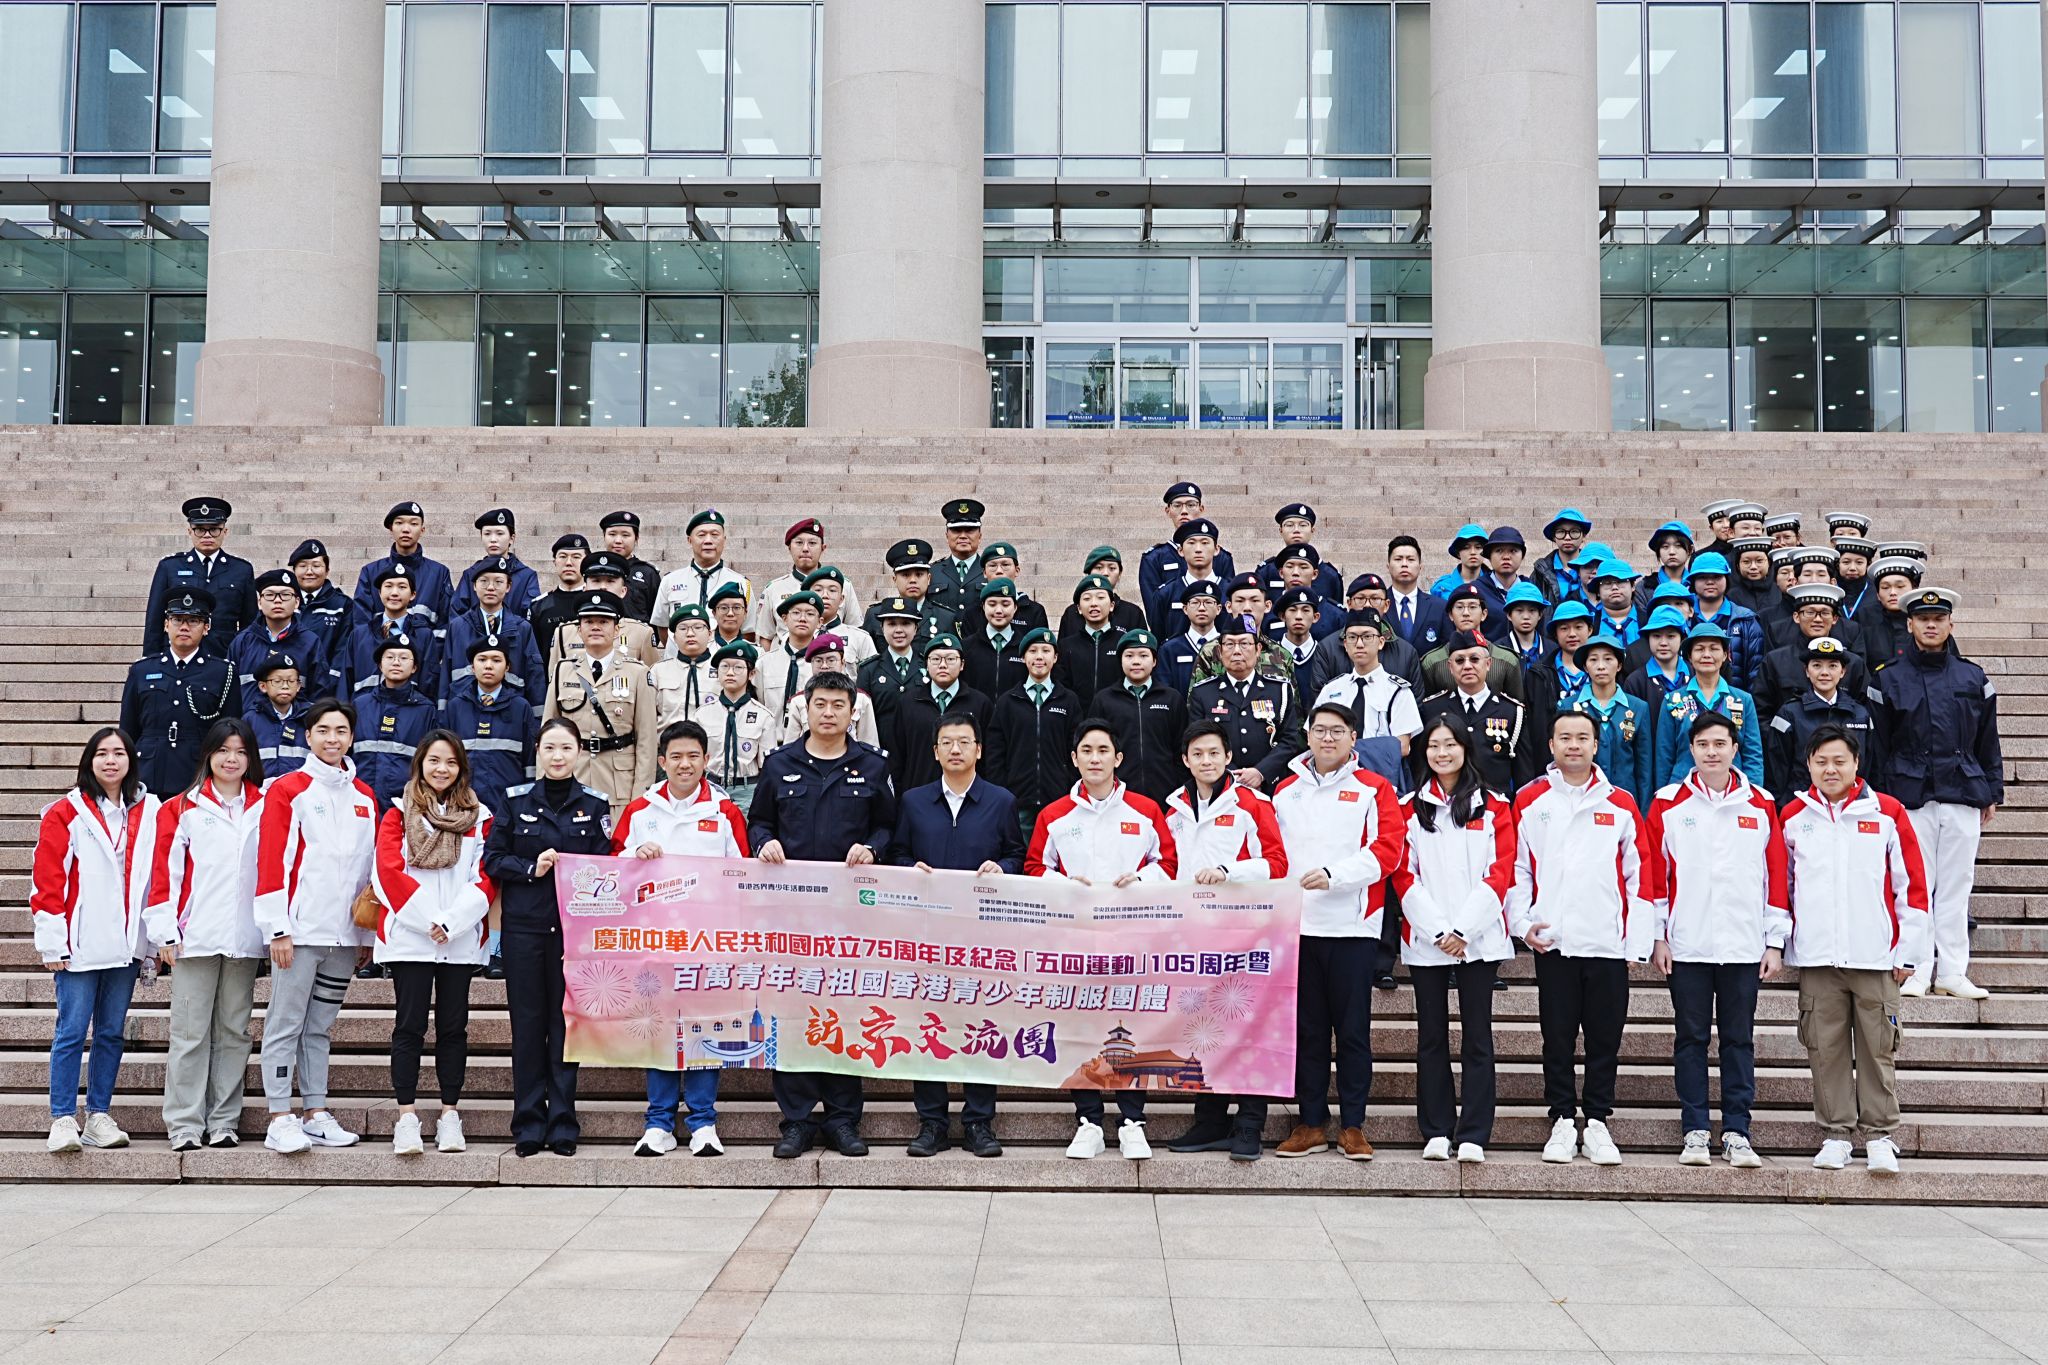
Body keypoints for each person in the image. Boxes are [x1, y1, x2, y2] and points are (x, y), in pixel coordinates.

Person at [751, 672, 899, 1159]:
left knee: (845, 1011)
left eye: (839, 705)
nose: (829, 713)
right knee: (791, 1011)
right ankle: (795, 1120)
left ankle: (842, 1118)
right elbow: (759, 820)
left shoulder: (873, 765)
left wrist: (873, 848)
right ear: (805, 709)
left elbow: (888, 826)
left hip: (848, 916)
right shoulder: (780, 764)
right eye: (821, 704)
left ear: (853, 713)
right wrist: (763, 842)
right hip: (789, 916)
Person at [1781, 725, 1929, 1176]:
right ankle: (1836, 1134)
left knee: (1878, 1048)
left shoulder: (1887, 812)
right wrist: (1785, 941)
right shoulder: (1793, 816)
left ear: (1856, 764)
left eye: (1839, 761)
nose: (1831, 769)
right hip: (1818, 957)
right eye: (1821, 761)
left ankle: (1880, 1136)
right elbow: (1783, 886)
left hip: (1875, 955)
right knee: (1824, 1049)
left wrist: (1908, 950)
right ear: (1809, 765)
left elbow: (1912, 886)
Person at [1644, 712, 1790, 1170]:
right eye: (1703, 744)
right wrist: (1658, 936)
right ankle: (1694, 1129)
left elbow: (1775, 876)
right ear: (1691, 750)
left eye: (1720, 744)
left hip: (1744, 945)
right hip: (1687, 944)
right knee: (1690, 1038)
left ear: (1734, 749)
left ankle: (1737, 1131)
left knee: (1738, 1039)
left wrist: (1774, 941)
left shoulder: (1761, 804)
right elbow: (1656, 876)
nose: (1712, 752)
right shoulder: (1668, 803)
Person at [1027, 720, 1176, 1160]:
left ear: (1118, 758)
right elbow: (1034, 867)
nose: (1095, 758)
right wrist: (1065, 884)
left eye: (1103, 750)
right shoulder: (1055, 814)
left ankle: (1132, 1121)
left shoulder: (1145, 810)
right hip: (1076, 941)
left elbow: (1169, 863)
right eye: (1087, 751)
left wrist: (1141, 879)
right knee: (1082, 1029)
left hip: (1133, 940)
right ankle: (1088, 1121)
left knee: (1131, 1027)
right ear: (1074, 759)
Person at [1509, 710, 1652, 1167]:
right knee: (1557, 1036)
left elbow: (1639, 874)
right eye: (1565, 738)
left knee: (1604, 1038)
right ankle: (1561, 1118)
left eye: (1582, 738)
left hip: (1606, 941)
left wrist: (1637, 941)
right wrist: (1522, 923)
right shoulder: (1530, 798)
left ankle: (1597, 1121)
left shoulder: (1620, 802)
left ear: (1595, 745)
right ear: (1551, 745)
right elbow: (1518, 868)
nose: (1574, 745)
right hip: (1554, 941)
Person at [1268, 701, 1405, 1159]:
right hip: (1298, 927)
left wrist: (1335, 876)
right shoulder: (1285, 791)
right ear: (1307, 736)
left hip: (1352, 927)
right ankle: (1310, 1122)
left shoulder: (1374, 788)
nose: (1328, 738)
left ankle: (1352, 1125)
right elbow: (1274, 855)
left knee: (1351, 1032)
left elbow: (1388, 850)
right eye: (1320, 730)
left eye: (1337, 731)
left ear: (1353, 739)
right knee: (1307, 1031)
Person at [613, 720, 751, 1158]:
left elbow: (743, 872)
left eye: (693, 756)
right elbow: (612, 866)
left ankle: (703, 1122)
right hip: (653, 940)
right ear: (662, 761)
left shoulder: (725, 811)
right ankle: (658, 1123)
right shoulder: (641, 809)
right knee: (659, 1028)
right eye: (676, 756)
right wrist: (636, 854)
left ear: (707, 760)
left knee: (704, 1030)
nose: (685, 764)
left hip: (709, 942)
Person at [890, 713, 1024, 1158]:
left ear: (978, 750)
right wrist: (909, 868)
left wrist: (1001, 868)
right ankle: (932, 1122)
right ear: (935, 752)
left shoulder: (1000, 801)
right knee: (928, 1024)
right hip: (926, 934)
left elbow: (1016, 854)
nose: (955, 749)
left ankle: (978, 1122)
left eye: (964, 742)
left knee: (980, 1025)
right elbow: (898, 852)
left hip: (981, 935)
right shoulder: (914, 801)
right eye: (946, 742)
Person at [485, 717, 616, 1156]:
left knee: (565, 1028)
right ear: (538, 753)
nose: (558, 757)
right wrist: (530, 868)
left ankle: (562, 1122)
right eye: (550, 749)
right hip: (524, 930)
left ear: (579, 753)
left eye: (566, 748)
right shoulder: (514, 800)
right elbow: (493, 859)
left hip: (572, 934)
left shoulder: (595, 805)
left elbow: (606, 867)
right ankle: (527, 1123)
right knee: (527, 1027)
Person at [1160, 721, 1289, 1162]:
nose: (1207, 761)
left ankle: (1250, 1124)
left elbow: (1277, 863)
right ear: (1185, 760)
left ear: (1229, 757)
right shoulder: (1173, 808)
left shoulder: (1253, 802)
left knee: (1250, 1026)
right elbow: (1167, 866)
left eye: (1214, 753)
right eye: (1197, 754)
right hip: (1193, 935)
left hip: (1246, 934)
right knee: (1202, 1027)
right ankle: (1210, 1120)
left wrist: (1228, 872)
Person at [253, 698, 375, 1154]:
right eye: (323, 730)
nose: (332, 739)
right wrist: (277, 927)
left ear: (351, 737)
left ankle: (315, 1111)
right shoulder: (289, 789)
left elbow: (367, 872)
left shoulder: (365, 796)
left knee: (320, 1025)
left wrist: (366, 935)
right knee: (285, 1023)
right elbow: (272, 860)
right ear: (308, 736)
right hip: (299, 933)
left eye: (341, 731)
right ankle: (278, 1116)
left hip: (344, 936)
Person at [1869, 586, 2002, 1000]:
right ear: (1910, 624)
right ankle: (1917, 968)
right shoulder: (1887, 677)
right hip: (1909, 794)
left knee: (1957, 885)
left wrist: (1992, 789)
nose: (1931, 625)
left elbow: (1988, 739)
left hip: (1962, 790)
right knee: (1915, 885)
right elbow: (1878, 746)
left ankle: (1952, 971)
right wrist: (1878, 797)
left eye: (1938, 619)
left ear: (1950, 624)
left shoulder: (1973, 676)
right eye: (1923, 619)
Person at [1391, 718, 1514, 1164]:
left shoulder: (1495, 805)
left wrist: (1463, 930)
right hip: (1428, 939)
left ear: (1465, 748)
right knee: (1431, 1036)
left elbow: (1500, 872)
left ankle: (1475, 1132)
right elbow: (1404, 875)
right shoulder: (1408, 807)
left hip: (1478, 939)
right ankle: (1437, 1129)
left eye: (1450, 744)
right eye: (1434, 746)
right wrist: (1439, 931)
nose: (1442, 753)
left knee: (1477, 1036)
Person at [145, 719, 266, 1151]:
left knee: (234, 1031)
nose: (232, 759)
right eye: (223, 750)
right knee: (190, 1033)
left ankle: (224, 1121)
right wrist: (164, 932)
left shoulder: (266, 806)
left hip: (245, 937)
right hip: (193, 937)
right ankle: (184, 1123)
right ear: (208, 755)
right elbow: (164, 874)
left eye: (241, 752)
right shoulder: (180, 808)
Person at [372, 731, 494, 1156]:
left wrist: (452, 922)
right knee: (409, 1027)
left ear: (462, 768)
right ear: (420, 763)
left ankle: (449, 1115)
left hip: (458, 940)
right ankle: (406, 1117)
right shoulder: (397, 812)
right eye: (434, 760)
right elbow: (387, 872)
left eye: (451, 762)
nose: (442, 769)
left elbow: (485, 876)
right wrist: (429, 921)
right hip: (411, 938)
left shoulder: (479, 816)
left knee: (453, 1029)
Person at [34, 728, 156, 1153]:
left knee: (111, 1033)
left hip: (125, 943)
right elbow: (47, 878)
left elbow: (152, 878)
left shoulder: (148, 809)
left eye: (119, 753)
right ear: (89, 761)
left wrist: (151, 943)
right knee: (71, 1030)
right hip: (80, 942)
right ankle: (63, 1117)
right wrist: (53, 940)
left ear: (130, 760)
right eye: (101, 753)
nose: (110, 760)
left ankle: (99, 1115)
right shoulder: (65, 811)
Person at [543, 593, 659, 816]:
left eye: (604, 622)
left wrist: (641, 796)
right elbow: (548, 732)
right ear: (579, 629)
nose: (595, 627)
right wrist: (544, 783)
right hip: (571, 780)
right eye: (588, 621)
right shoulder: (562, 670)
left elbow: (646, 740)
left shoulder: (637, 673)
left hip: (619, 786)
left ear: (617, 630)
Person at [123, 587, 240, 797]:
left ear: (206, 627)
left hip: (197, 775)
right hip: (149, 773)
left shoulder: (223, 672)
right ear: (166, 625)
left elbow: (230, 731)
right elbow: (128, 730)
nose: (184, 627)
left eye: (193, 620)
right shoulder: (142, 670)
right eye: (177, 619)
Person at [1186, 617, 1306, 790]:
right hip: (1221, 785)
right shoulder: (1203, 692)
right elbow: (1198, 741)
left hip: (1269, 785)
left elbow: (1289, 740)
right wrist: (1233, 775)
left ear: (1258, 650)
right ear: (1220, 651)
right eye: (1229, 644)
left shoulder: (1279, 689)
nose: (1237, 651)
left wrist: (1260, 772)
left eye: (1244, 644)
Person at [1420, 630, 1541, 797]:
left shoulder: (1512, 711)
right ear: (1450, 667)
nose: (1467, 666)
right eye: (1459, 661)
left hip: (1496, 806)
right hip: (1447, 805)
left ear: (1488, 663)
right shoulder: (1432, 709)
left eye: (1475, 659)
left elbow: (1524, 775)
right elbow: (1420, 767)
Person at [984, 628, 1081, 836]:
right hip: (1017, 799)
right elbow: (995, 751)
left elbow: (1076, 748)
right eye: (1033, 651)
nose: (1039, 657)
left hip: (1058, 798)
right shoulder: (1008, 701)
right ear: (1023, 658)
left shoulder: (1068, 700)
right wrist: (1002, 790)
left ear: (1055, 657)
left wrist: (1069, 785)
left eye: (1046, 651)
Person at [1765, 637, 1878, 799]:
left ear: (1843, 671)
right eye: (1817, 665)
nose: (1825, 672)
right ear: (1806, 671)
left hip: (1851, 803)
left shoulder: (1860, 715)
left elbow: (1870, 766)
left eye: (1833, 666)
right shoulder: (1789, 714)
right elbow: (1777, 769)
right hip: (1802, 801)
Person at [1653, 623, 1763, 788]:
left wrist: (1751, 793)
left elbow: (1753, 754)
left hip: (1733, 791)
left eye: (1714, 648)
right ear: (1689, 656)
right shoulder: (1673, 700)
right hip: (1683, 789)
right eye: (1699, 649)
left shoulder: (1743, 700)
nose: (1706, 655)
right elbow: (1664, 757)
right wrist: (1664, 795)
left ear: (1725, 655)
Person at [144, 496, 255, 657]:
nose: (207, 535)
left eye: (214, 529)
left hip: (223, 655)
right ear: (190, 531)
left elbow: (249, 623)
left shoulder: (241, 570)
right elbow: (154, 619)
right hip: (177, 655)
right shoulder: (170, 567)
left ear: (225, 531)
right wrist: (150, 659)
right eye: (200, 529)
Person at [1092, 629, 1187, 804]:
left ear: (1154, 661)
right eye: (1129, 656)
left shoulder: (1171, 698)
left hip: (1166, 793)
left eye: (1143, 655)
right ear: (1120, 660)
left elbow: (1181, 747)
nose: (1136, 661)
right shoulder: (1104, 700)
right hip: (1117, 795)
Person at [1560, 633, 1654, 805]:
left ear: (1619, 665)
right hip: (1581, 800)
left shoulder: (1638, 707)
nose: (1601, 666)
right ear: (1585, 667)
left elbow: (1644, 767)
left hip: (1625, 802)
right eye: (1593, 660)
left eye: (1608, 659)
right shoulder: (1567, 707)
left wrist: (1643, 811)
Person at [890, 634, 992, 793]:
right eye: (936, 659)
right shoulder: (908, 703)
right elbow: (897, 755)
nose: (943, 665)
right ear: (926, 664)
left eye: (950, 659)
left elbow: (989, 756)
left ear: (962, 664)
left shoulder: (980, 703)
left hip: (968, 794)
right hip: (918, 792)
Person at [353, 634, 438, 817]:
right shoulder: (360, 705)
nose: (396, 662)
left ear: (414, 667)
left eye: (404, 658)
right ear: (380, 665)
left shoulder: (425, 709)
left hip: (404, 805)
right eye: (390, 657)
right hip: (358, 801)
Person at [445, 555, 545, 709]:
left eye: (498, 582)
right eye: (484, 581)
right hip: (465, 708)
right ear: (474, 586)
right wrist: (443, 713)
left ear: (508, 587)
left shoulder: (522, 628)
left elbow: (534, 675)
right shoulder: (458, 626)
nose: (491, 588)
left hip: (510, 709)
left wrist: (537, 716)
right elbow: (445, 673)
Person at [229, 568, 334, 707]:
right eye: (270, 595)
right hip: (249, 718)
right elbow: (229, 690)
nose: (277, 601)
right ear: (259, 602)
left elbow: (320, 692)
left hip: (297, 720)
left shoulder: (310, 642)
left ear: (296, 602)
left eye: (285, 595)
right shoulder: (242, 641)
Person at [690, 640, 774, 809]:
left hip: (748, 792)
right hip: (710, 788)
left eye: (738, 668)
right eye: (725, 667)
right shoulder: (702, 715)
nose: (730, 673)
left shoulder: (763, 716)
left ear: (751, 674)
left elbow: (767, 767)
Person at [752, 517, 862, 643]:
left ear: (823, 548)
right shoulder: (774, 589)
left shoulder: (843, 586)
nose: (805, 548)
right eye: (799, 543)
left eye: (812, 543)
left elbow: (855, 630)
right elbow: (765, 637)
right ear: (789, 548)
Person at [341, 562, 441, 699]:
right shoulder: (360, 635)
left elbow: (429, 683)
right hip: (364, 710)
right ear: (379, 592)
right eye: (388, 586)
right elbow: (345, 683)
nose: (394, 593)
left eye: (402, 587)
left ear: (413, 595)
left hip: (408, 709)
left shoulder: (423, 635)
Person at [352, 500, 453, 635]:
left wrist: (427, 647)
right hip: (380, 647)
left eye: (413, 524)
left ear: (422, 530)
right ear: (391, 528)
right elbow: (361, 624)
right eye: (399, 523)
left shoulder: (439, 573)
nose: (406, 529)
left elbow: (446, 625)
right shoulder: (370, 572)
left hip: (425, 647)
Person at [1139, 481, 1238, 614]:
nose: (1184, 511)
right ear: (1168, 510)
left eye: (1191, 505)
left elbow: (1229, 603)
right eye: (1177, 505)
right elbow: (1154, 610)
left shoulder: (1222, 557)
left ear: (1201, 509)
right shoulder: (1154, 558)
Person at [778, 635, 881, 748]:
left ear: (843, 663)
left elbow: (869, 744)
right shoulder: (798, 701)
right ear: (811, 664)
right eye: (818, 661)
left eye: (831, 660)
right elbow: (790, 746)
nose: (824, 666)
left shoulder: (861, 699)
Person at [653, 508, 748, 629]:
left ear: (724, 540)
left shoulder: (741, 583)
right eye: (701, 535)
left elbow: (748, 631)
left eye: (714, 535)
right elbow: (662, 627)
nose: (708, 541)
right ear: (689, 540)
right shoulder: (670, 580)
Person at [862, 538, 956, 649]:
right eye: (905, 575)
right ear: (894, 579)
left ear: (929, 578)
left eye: (919, 574)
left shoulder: (945, 617)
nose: (912, 580)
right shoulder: (875, 615)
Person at [452, 507, 541, 620]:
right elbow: (456, 616)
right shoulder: (470, 574)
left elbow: (531, 617)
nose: (493, 539)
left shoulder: (526, 576)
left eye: (499, 533)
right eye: (487, 534)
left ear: (512, 538)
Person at [1147, 517, 1229, 637]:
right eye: (1191, 543)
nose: (1198, 549)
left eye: (1205, 543)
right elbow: (1158, 638)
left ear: (1217, 549)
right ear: (1180, 551)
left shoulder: (1231, 593)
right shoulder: (1165, 594)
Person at [1056, 574, 1126, 701]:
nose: (1094, 603)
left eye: (1100, 597)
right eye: (1087, 599)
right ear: (1079, 608)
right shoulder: (1066, 646)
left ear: (1112, 605)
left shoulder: (1124, 643)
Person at [757, 591, 824, 724]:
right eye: (796, 613)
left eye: (810, 614)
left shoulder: (824, 665)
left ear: (819, 622)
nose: (802, 619)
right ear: (785, 619)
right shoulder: (764, 663)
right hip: (773, 734)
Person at [651, 603, 719, 726]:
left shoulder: (722, 669)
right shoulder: (658, 671)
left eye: (698, 627)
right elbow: (647, 715)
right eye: (683, 628)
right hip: (668, 737)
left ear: (710, 634)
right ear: (674, 637)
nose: (690, 633)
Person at [529, 533, 591, 669]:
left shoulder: (596, 603)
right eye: (563, 556)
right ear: (554, 562)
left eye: (576, 557)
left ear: (587, 562)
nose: (568, 562)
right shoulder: (539, 606)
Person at [1058, 545, 1148, 638]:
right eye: (1099, 567)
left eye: (1112, 568)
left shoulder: (1133, 613)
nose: (1105, 573)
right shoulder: (1072, 613)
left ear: (1120, 574)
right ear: (1089, 573)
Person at [290, 538, 357, 659]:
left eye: (316, 566)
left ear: (327, 571)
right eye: (303, 566)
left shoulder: (343, 605)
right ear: (294, 570)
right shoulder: (283, 601)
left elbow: (344, 649)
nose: (309, 572)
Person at [593, 509, 662, 625]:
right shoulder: (593, 570)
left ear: (636, 538)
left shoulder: (648, 573)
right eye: (612, 534)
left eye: (625, 535)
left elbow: (657, 616)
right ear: (604, 536)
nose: (618, 541)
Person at [963, 578, 1029, 698]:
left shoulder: (1026, 648)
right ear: (983, 607)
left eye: (1005, 604)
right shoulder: (966, 647)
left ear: (1015, 607)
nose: (998, 611)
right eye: (992, 604)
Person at [1385, 536, 1451, 652]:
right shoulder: (1377, 604)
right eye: (1398, 559)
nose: (1404, 564)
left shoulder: (1440, 607)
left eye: (1410, 559)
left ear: (1420, 566)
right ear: (1388, 566)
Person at [1160, 579, 1224, 694]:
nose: (1202, 608)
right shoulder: (1170, 649)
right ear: (1185, 609)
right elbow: (1165, 692)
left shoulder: (1229, 645)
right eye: (1195, 602)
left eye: (1208, 602)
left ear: (1218, 609)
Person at [927, 498, 988, 617]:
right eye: (956, 530)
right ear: (947, 536)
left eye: (970, 530)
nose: (963, 536)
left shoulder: (991, 571)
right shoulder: (931, 572)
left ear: (980, 536)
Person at [247, 654, 309, 771]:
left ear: (298, 686)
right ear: (263, 686)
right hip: (262, 782)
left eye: (291, 681)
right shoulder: (250, 720)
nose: (285, 686)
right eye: (277, 681)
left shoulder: (310, 718)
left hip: (302, 783)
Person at [1429, 523, 1489, 598]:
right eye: (1466, 548)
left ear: (1485, 552)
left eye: (1478, 547)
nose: (1473, 552)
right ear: (1458, 553)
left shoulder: (1494, 585)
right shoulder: (1442, 587)